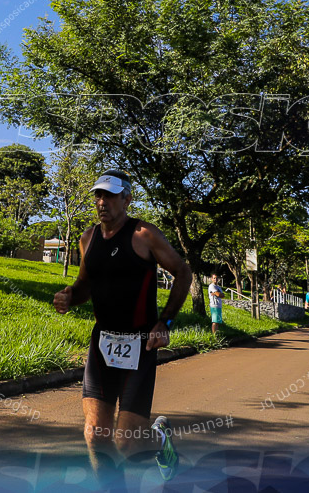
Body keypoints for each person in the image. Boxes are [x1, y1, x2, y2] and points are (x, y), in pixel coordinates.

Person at [53, 170, 193, 482]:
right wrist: (70, 296)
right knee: (95, 435)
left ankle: (160, 440)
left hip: (141, 343)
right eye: (98, 195)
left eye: (110, 196)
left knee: (128, 443)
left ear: (127, 199)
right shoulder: (87, 238)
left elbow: (183, 273)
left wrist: (164, 322)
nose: (102, 202)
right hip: (102, 342)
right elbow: (85, 285)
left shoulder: (144, 235)